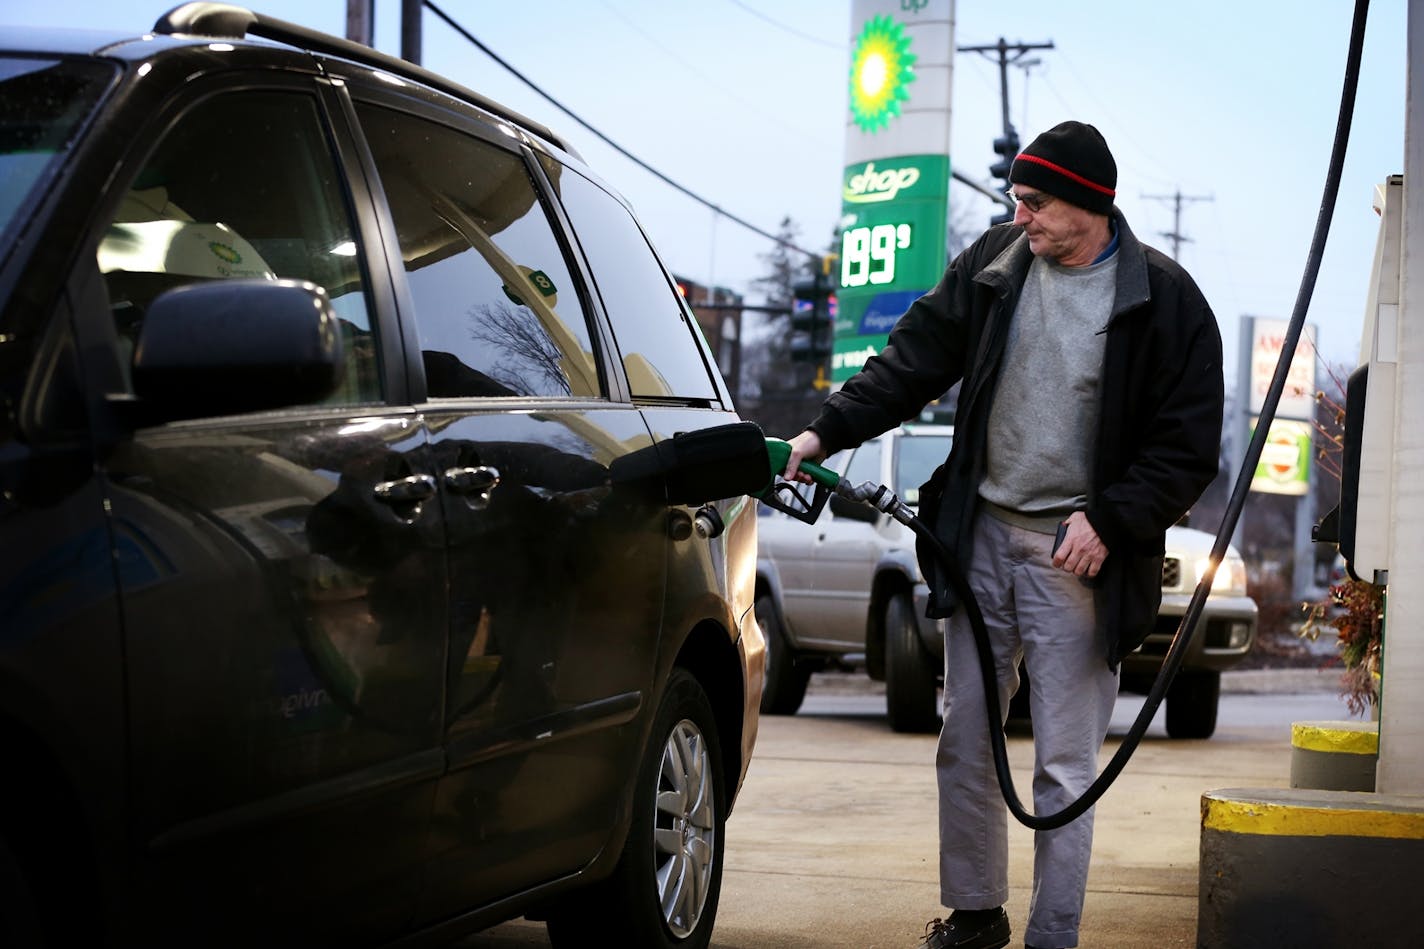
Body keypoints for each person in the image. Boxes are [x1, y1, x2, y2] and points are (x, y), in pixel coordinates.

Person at [781, 121, 1224, 949]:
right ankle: (977, 913)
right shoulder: (996, 266)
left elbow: (1188, 444)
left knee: (1062, 764)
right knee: (967, 740)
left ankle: (1053, 935)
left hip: (1077, 559)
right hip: (980, 536)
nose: (1021, 216)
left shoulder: (1165, 300)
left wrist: (1114, 518)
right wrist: (822, 433)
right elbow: (910, 359)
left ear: (1091, 204)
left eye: (1037, 202)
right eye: (1017, 200)